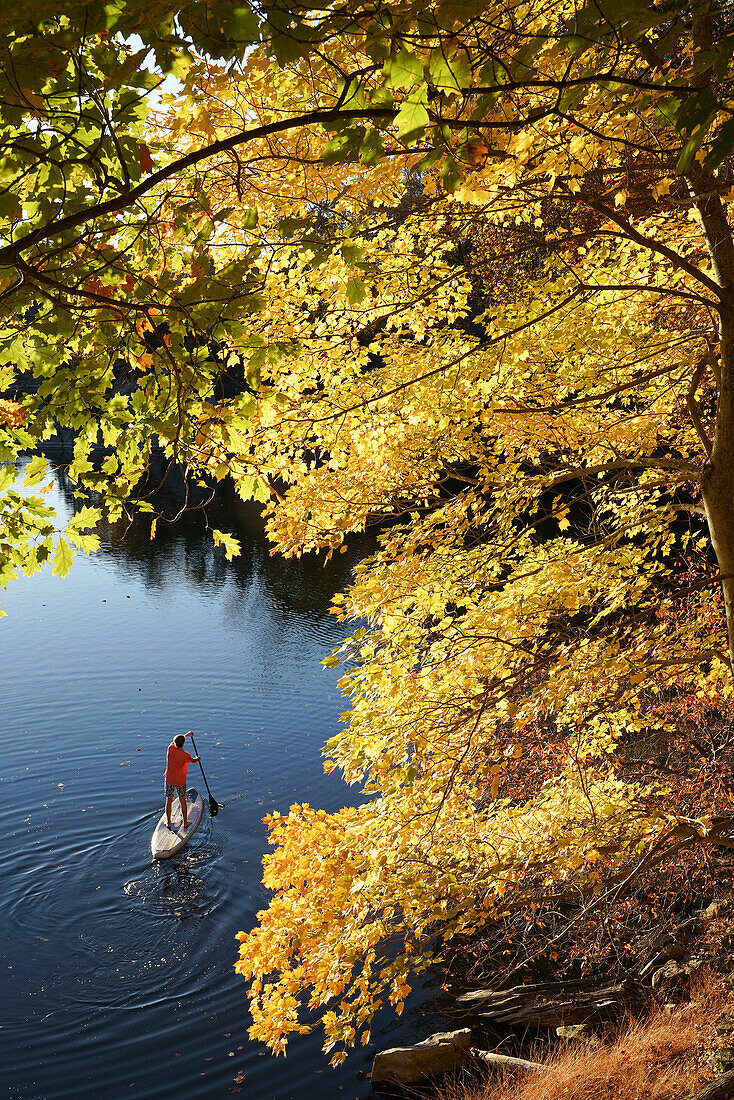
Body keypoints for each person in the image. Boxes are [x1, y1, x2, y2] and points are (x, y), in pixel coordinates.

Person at [164, 730, 200, 831]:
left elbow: (178, 740)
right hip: (180, 781)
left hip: (169, 779)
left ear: (174, 743)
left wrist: (186, 735)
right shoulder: (185, 755)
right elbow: (192, 760)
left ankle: (168, 822)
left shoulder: (170, 748)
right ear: (183, 744)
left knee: (169, 800)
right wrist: (197, 759)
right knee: (182, 800)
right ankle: (185, 822)